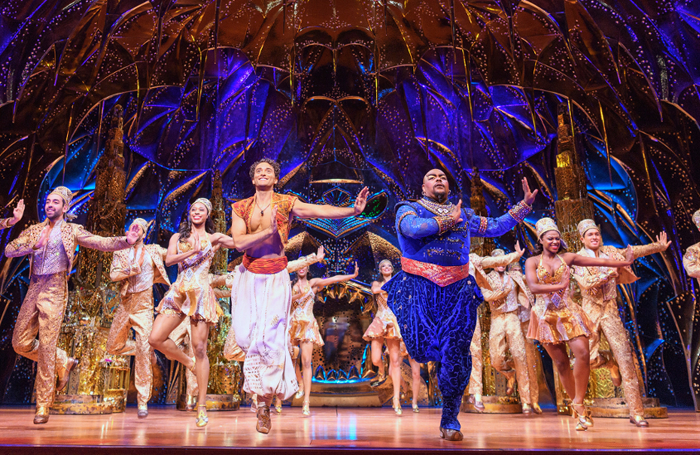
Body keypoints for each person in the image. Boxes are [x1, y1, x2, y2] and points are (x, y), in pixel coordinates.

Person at [384, 169, 536, 441]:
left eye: (442, 176)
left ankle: (450, 418)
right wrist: (446, 221)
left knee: (456, 357)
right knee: (421, 349)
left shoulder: (464, 214)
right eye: (431, 176)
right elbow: (411, 229)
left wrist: (523, 206)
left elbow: (496, 226)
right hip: (420, 289)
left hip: (457, 293)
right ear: (423, 185)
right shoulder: (408, 208)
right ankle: (441, 363)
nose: (439, 178)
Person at [225, 158, 368, 434]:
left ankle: (264, 405)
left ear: (275, 179)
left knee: (271, 340)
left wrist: (353, 210)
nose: (263, 172)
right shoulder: (241, 207)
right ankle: (263, 392)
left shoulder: (286, 203)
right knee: (245, 337)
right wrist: (268, 232)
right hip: (248, 276)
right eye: (258, 170)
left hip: (276, 277)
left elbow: (319, 211)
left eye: (268, 170)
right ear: (253, 179)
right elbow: (239, 242)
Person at [5, 187, 139, 424]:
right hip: (35, 285)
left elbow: (100, 242)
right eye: (48, 201)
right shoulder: (34, 230)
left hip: (55, 287)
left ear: (65, 208)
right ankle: (61, 359)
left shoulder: (71, 230)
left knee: (46, 345)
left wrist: (125, 241)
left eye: (55, 202)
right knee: (19, 343)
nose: (50, 205)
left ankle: (44, 405)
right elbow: (9, 249)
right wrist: (33, 246)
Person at [524, 217, 634, 431]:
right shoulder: (533, 262)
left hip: (569, 312)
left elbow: (600, 262)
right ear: (541, 240)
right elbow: (533, 287)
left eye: (557, 238)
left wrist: (624, 262)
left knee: (583, 353)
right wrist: (560, 285)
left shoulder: (568, 257)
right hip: (545, 316)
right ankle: (581, 412)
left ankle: (578, 402)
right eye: (550, 239)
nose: (555, 242)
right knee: (562, 363)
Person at [571, 219, 670, 427]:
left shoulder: (611, 252)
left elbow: (634, 250)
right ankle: (608, 364)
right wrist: (611, 272)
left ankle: (637, 413)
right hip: (590, 312)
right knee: (584, 359)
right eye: (590, 235)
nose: (595, 237)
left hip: (610, 310)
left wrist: (658, 247)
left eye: (596, 234)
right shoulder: (577, 259)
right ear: (582, 239)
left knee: (626, 359)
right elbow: (586, 283)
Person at [148, 198, 235, 428]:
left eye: (201, 210)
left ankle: (202, 405)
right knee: (155, 338)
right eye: (194, 209)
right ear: (190, 214)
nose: (197, 212)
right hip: (179, 291)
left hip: (200, 293)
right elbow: (169, 260)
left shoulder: (213, 237)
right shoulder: (179, 237)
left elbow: (238, 243)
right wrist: (192, 251)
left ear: (207, 215)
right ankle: (187, 362)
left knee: (200, 348)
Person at [107, 218, 170, 419]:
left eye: (139, 227)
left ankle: (143, 401)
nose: (135, 228)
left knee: (143, 349)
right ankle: (145, 350)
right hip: (126, 303)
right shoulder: (121, 251)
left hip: (144, 305)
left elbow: (174, 255)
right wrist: (129, 270)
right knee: (112, 347)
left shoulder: (153, 250)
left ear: (144, 234)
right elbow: (113, 275)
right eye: (132, 226)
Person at [471, 246, 536, 413]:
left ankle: (526, 401)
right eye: (498, 261)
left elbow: (530, 284)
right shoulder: (486, 278)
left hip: (513, 317)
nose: (501, 264)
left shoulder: (514, 277)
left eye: (503, 261)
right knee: (496, 358)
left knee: (520, 356)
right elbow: (486, 296)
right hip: (497, 318)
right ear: (493, 264)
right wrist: (502, 292)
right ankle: (509, 373)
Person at [291, 260, 358, 416]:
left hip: (307, 324)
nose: (302, 268)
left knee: (306, 362)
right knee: (292, 358)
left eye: (304, 266)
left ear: (307, 268)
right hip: (292, 325)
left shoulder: (312, 283)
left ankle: (306, 402)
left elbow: (333, 280)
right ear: (295, 269)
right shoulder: (289, 285)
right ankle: (300, 384)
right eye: (299, 266)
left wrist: (352, 275)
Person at [363, 259, 422, 415]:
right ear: (381, 270)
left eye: (389, 266)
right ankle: (381, 370)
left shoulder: (399, 283)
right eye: (383, 266)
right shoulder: (377, 283)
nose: (387, 268)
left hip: (393, 321)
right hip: (380, 319)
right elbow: (376, 291)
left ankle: (396, 399)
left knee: (395, 362)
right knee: (375, 359)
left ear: (392, 269)